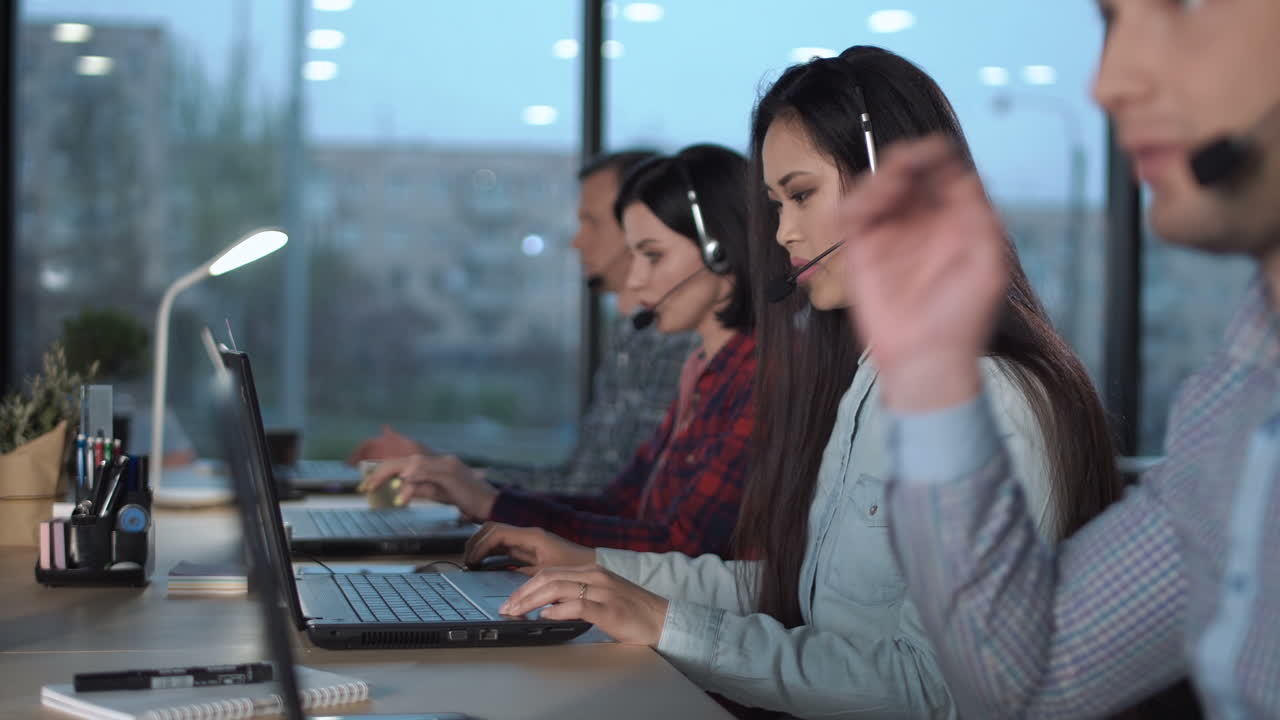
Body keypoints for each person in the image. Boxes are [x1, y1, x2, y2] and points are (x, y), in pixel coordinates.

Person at [464, 46, 1127, 719]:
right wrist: (594, 568)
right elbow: (796, 593)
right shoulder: (872, 377)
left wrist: (667, 623)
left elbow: (934, 692)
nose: (783, 231)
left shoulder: (987, 403)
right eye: (776, 203)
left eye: (802, 194)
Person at [832, 2, 1280, 718]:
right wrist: (930, 371)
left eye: (1180, 7)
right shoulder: (1238, 395)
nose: (1107, 84)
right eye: (1110, 21)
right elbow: (1032, 681)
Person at [366, 144, 758, 558]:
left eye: (653, 255)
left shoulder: (759, 376)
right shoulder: (700, 368)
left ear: (721, 252)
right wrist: (488, 501)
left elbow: (682, 548)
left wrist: (492, 503)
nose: (637, 280)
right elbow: (621, 502)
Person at [348, 150, 698, 494]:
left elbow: (602, 493)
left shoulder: (678, 340)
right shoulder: (634, 333)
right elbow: (582, 479)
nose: (577, 242)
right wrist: (445, 472)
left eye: (591, 221)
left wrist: (461, 482)